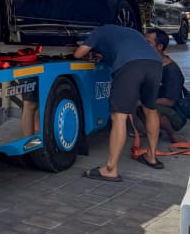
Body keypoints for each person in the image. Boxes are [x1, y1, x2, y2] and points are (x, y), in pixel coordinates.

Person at [73, 23, 163, 182]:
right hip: (155, 63)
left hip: (131, 66)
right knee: (150, 109)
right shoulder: (131, 32)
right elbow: (123, 51)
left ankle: (110, 169)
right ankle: (151, 157)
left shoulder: (100, 31)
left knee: (119, 116)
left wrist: (89, 49)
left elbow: (78, 54)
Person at [145, 28, 188, 142]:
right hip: (158, 103)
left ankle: (172, 134)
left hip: (175, 113)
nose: (143, 45)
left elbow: (170, 102)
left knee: (148, 108)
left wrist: (144, 101)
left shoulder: (172, 70)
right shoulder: (151, 63)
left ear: (159, 46)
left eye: (148, 42)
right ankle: (152, 129)